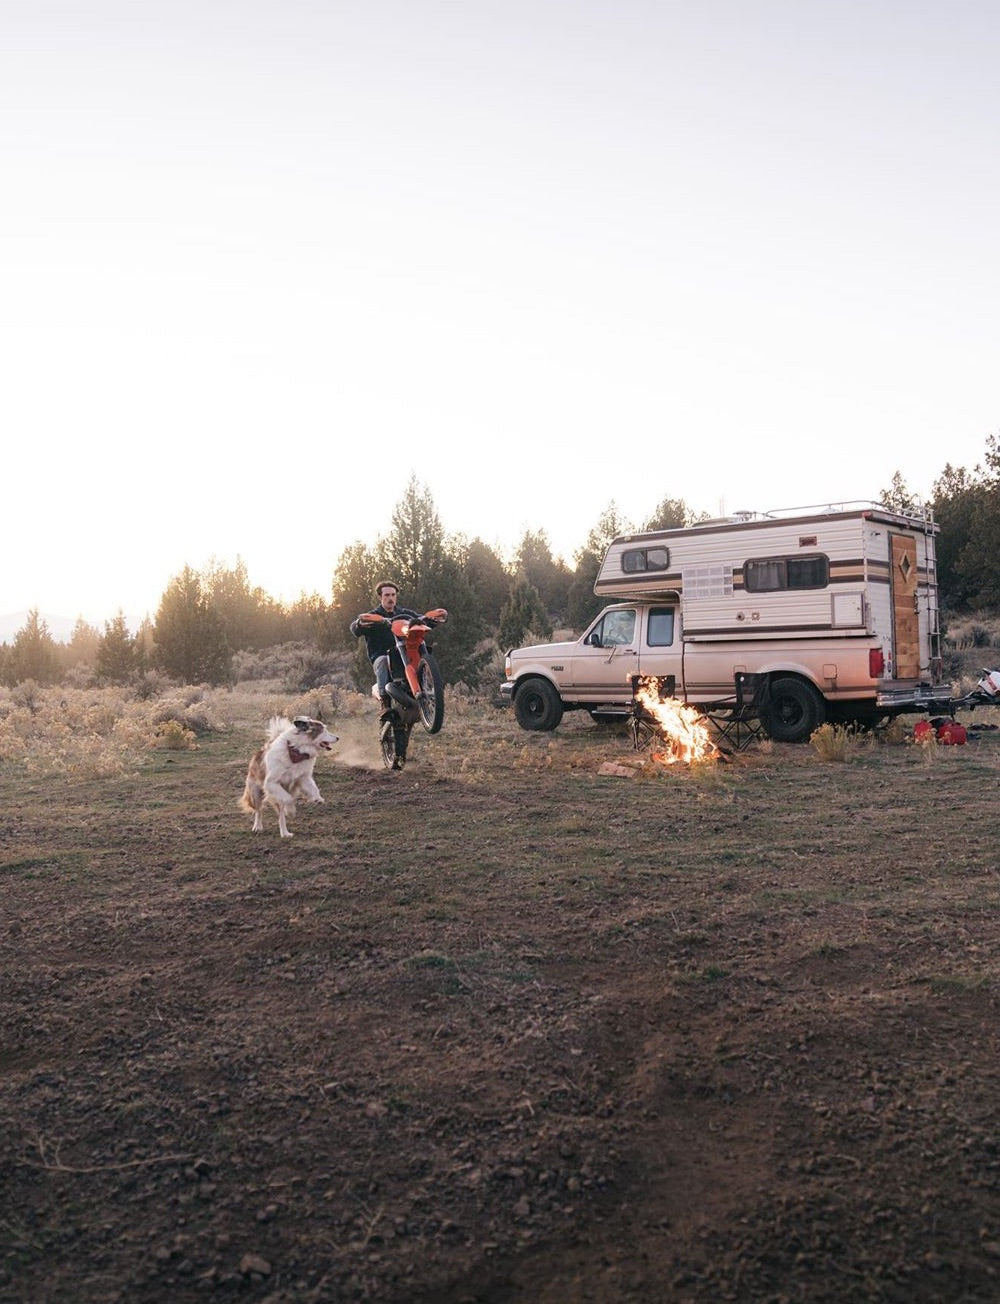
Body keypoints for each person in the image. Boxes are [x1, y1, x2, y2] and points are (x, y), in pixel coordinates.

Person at [350, 582, 421, 709]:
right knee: (383, 660)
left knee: (422, 656)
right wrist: (360, 624)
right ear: (380, 597)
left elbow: (420, 619)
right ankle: (385, 703)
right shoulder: (374, 615)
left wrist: (431, 619)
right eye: (387, 595)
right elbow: (355, 628)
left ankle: (428, 690)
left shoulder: (403, 613)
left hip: (403, 657)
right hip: (381, 656)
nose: (390, 598)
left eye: (393, 595)